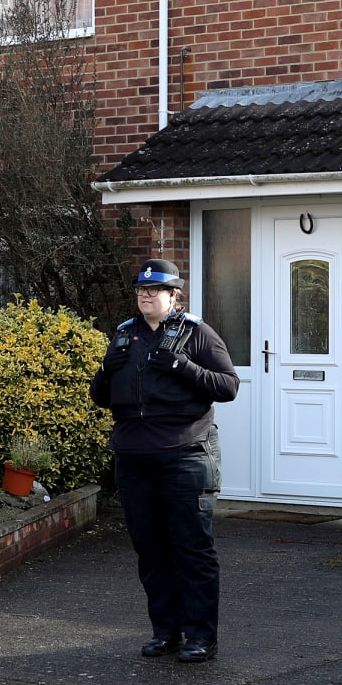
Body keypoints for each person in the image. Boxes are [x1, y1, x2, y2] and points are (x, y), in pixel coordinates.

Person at [91, 258, 239, 663]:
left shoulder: (196, 334)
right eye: (140, 290)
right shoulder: (123, 336)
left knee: (192, 549)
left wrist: (183, 366)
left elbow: (228, 387)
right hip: (135, 459)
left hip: (186, 455)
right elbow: (101, 397)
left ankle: (200, 636)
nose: (145, 295)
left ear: (174, 296)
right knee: (150, 550)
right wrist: (105, 371)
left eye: (153, 290)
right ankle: (165, 631)